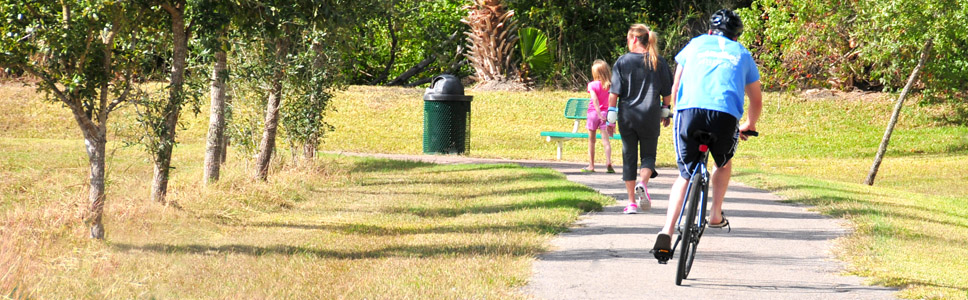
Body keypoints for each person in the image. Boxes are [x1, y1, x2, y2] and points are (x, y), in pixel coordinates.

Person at [652, 9, 763, 261]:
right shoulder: (742, 53)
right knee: (722, 162)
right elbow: (755, 98)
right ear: (736, 35)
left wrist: (674, 112)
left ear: (711, 30)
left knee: (685, 174)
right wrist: (750, 124)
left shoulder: (696, 44)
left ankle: (666, 231)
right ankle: (715, 214)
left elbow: (676, 84)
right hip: (724, 116)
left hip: (689, 112)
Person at [605, 24, 674, 214]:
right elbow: (666, 94)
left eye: (628, 39)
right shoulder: (658, 61)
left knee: (629, 157)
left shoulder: (622, 62)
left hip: (627, 116)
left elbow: (614, 94)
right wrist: (665, 111)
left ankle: (631, 203)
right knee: (648, 156)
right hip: (650, 117)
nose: (627, 42)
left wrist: (610, 118)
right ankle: (642, 183)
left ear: (634, 39)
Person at [581, 59, 616, 174]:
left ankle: (591, 165)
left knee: (592, 140)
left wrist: (598, 112)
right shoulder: (610, 86)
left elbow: (594, 99)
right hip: (606, 115)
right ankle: (608, 162)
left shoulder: (592, 85)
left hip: (593, 114)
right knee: (606, 141)